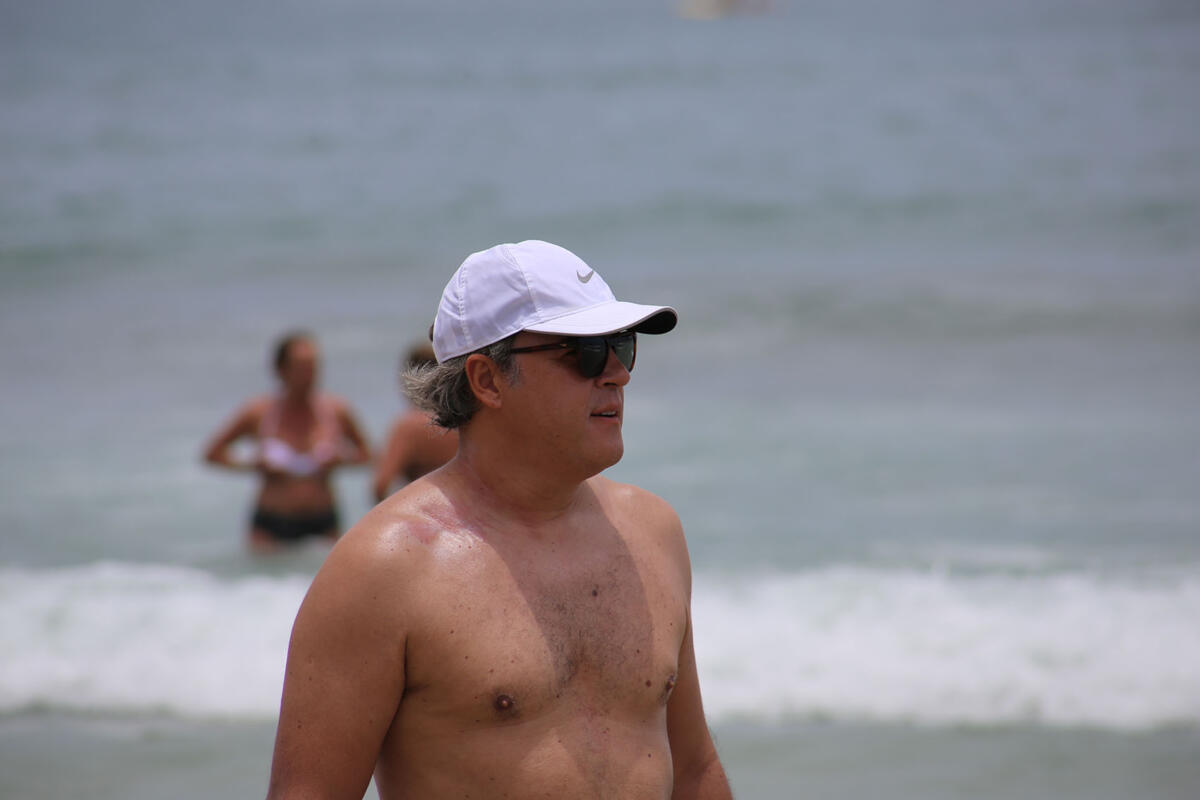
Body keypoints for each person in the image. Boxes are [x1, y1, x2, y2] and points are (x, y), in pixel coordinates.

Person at [266, 241, 731, 799]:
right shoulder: (384, 570)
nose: (616, 374)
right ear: (487, 380)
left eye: (621, 346)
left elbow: (696, 769)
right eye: (584, 352)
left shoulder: (652, 531)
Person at [203, 331, 372, 552]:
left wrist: (340, 460)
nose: (309, 374)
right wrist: (253, 465)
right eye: (301, 367)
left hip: (323, 519)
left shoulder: (336, 411)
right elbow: (213, 454)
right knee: (263, 574)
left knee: (330, 570)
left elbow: (368, 455)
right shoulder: (259, 412)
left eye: (313, 366)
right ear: (280, 370)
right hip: (272, 522)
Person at [370, 341, 458, 502]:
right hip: (463, 508)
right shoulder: (463, 421)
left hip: (426, 509)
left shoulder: (410, 427)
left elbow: (381, 485)